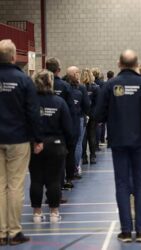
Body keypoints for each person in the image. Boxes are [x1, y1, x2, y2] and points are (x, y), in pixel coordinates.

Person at [95, 49, 141, 243]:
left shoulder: (110, 85)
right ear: (137, 64)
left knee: (122, 185)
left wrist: (114, 116)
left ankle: (125, 231)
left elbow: (98, 115)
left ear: (119, 64)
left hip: (119, 142)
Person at [0, 39, 43, 246]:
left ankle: (1, 232)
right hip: (18, 138)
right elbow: (32, 112)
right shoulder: (23, 80)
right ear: (14, 56)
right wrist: (38, 139)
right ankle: (14, 231)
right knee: (15, 185)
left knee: (0, 186)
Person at [29, 69, 73, 224]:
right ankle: (54, 213)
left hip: (35, 144)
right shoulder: (59, 102)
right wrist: (68, 145)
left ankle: (36, 213)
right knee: (54, 180)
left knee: (36, 180)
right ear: (51, 82)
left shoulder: (29, 101)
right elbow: (68, 127)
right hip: (56, 145)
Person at [45, 57, 76, 195]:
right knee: (61, 159)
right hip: (59, 130)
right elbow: (71, 111)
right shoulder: (64, 86)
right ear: (58, 70)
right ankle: (64, 183)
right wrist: (72, 132)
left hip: (42, 131)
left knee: (42, 167)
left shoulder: (36, 86)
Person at [66, 66, 90, 179]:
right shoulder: (81, 88)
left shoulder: (63, 86)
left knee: (68, 143)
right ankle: (76, 167)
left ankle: (67, 168)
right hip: (78, 118)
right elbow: (86, 105)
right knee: (78, 143)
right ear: (75, 74)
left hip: (65, 118)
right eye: (78, 72)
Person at [81, 69, 99, 165]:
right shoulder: (95, 88)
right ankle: (93, 156)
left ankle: (84, 157)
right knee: (91, 135)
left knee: (83, 136)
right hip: (92, 114)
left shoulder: (79, 87)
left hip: (83, 114)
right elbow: (97, 103)